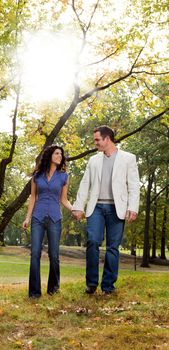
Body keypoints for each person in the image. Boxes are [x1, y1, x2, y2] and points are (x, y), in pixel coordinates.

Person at [72, 125, 140, 294]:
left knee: (112, 247)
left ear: (107, 139)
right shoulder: (93, 160)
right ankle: (91, 283)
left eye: (97, 140)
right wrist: (78, 206)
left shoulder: (128, 158)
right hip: (96, 207)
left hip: (117, 208)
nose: (95, 143)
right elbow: (85, 183)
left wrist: (133, 207)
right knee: (93, 241)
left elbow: (133, 185)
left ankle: (108, 285)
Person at [22, 145, 73, 299]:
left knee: (54, 254)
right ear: (50, 155)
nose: (60, 156)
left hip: (55, 218)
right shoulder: (37, 176)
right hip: (37, 217)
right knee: (35, 253)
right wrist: (27, 217)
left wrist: (74, 209)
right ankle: (34, 292)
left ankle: (53, 289)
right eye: (57, 153)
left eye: (61, 154)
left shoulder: (64, 177)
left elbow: (63, 200)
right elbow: (33, 197)